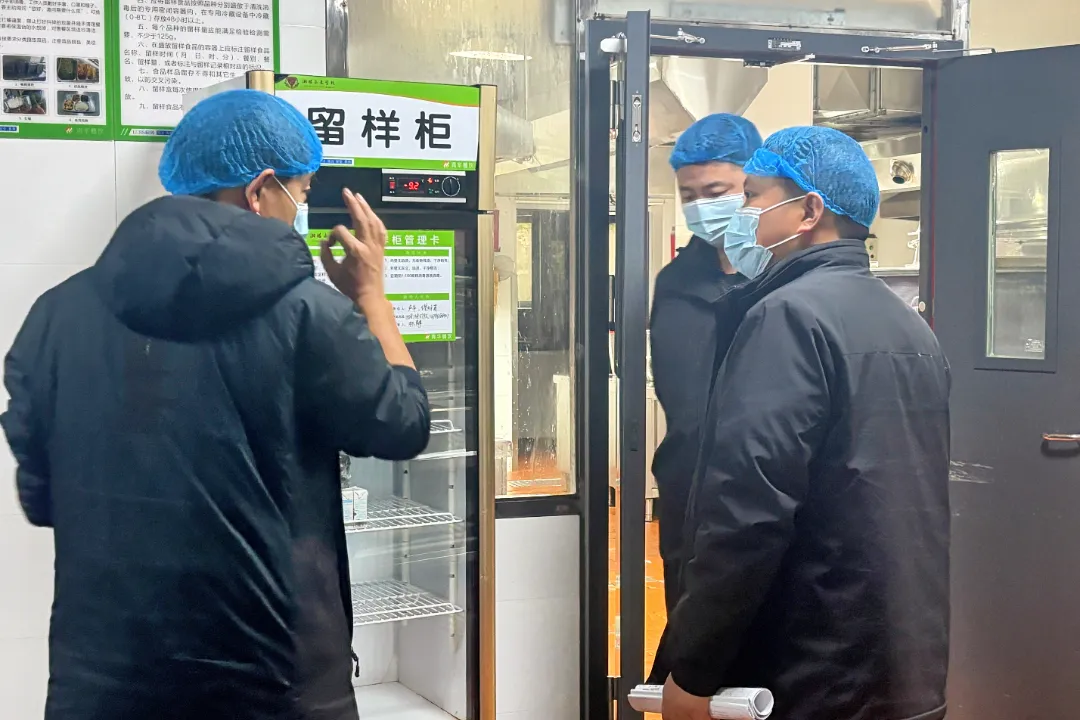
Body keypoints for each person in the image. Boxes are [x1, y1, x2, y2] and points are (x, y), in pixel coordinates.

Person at [1, 89, 430, 720]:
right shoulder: (309, 313)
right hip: (275, 682)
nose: (302, 209)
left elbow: (42, 500)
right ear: (259, 192)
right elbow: (405, 424)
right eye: (301, 192)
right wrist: (371, 297)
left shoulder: (56, 315)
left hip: (103, 681)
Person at [659, 126, 951, 720]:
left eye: (753, 196)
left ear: (809, 211)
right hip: (905, 663)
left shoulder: (788, 317)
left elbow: (748, 511)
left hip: (810, 668)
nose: (742, 212)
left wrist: (692, 670)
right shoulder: (909, 327)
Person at [647, 113, 761, 682]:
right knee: (693, 641)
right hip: (688, 493)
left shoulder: (783, 278)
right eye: (689, 195)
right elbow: (680, 399)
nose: (701, 207)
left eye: (716, 192)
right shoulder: (675, 282)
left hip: (763, 495)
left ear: (754, 186)